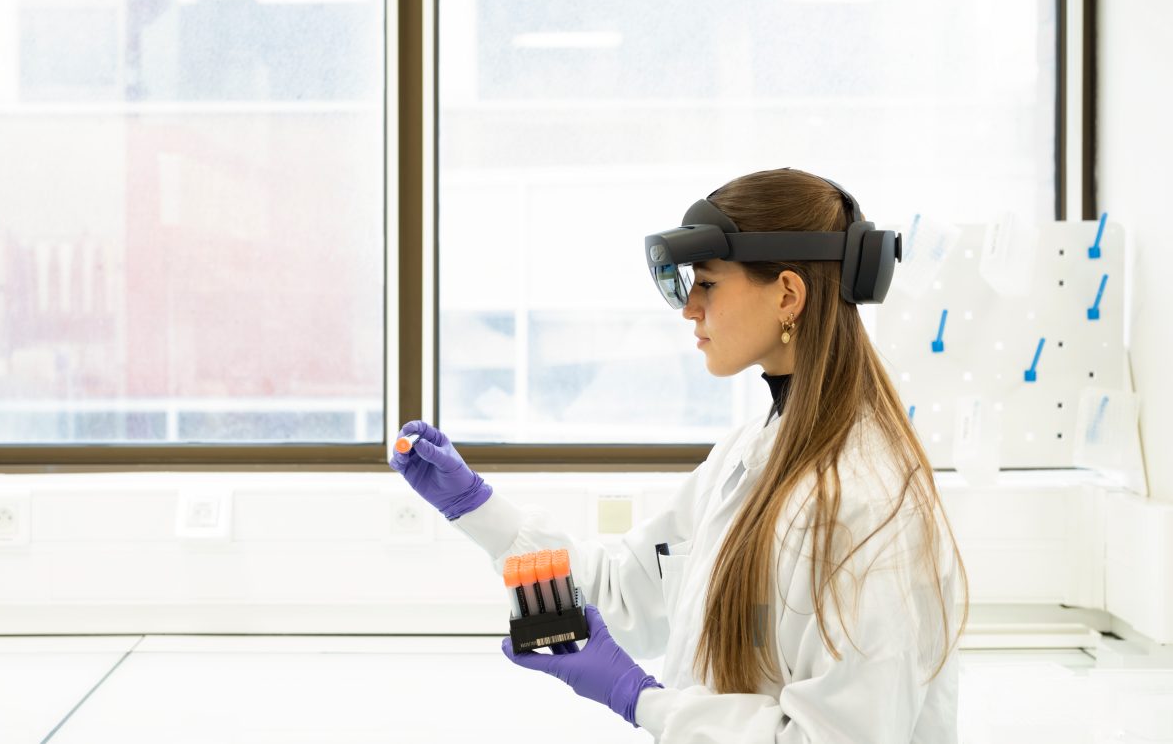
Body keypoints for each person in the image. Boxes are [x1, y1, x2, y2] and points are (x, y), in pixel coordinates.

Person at [389, 168, 969, 743]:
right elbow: (622, 594)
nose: (691, 308)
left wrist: (642, 700)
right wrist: (475, 509)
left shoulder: (865, 503)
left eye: (709, 283)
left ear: (788, 295)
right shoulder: (746, 457)